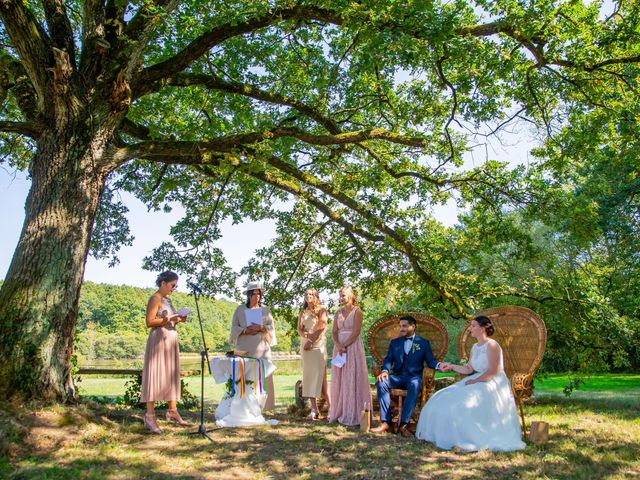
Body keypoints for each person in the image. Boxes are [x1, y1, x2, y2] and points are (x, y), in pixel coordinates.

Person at [415, 315, 526, 451]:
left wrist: (474, 381)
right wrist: (452, 366)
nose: (470, 329)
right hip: (477, 378)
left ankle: (472, 437)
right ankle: (451, 436)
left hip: (492, 381)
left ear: (483, 327)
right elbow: (469, 369)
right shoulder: (475, 347)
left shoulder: (492, 345)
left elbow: (493, 371)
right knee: (441, 397)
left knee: (464, 404)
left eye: (473, 326)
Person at [370, 315, 444, 437]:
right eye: (400, 326)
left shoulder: (423, 343)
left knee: (415, 385)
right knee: (381, 382)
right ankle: (385, 422)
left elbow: (431, 361)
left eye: (404, 326)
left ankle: (404, 424)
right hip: (397, 376)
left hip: (414, 377)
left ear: (413, 327)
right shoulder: (394, 343)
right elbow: (388, 360)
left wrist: (440, 365)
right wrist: (384, 371)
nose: (401, 329)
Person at [140, 270, 190, 434]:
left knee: (170, 375)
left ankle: (173, 411)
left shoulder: (168, 299)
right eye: (172, 285)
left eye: (175, 286)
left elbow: (169, 318)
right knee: (155, 375)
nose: (174, 288)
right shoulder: (155, 298)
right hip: (159, 341)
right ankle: (150, 416)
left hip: (170, 339)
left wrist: (180, 318)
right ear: (162, 283)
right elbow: (150, 321)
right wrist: (170, 318)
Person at [229, 281, 277, 411]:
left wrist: (261, 327)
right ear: (249, 296)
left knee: (264, 376)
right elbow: (233, 328)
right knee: (245, 375)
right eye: (254, 294)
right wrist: (245, 330)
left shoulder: (265, 310)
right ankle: (243, 406)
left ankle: (266, 406)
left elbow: (271, 328)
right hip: (245, 349)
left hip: (262, 350)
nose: (257, 296)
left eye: (259, 294)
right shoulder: (240, 309)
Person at [328, 286, 372, 426]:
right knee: (340, 378)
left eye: (344, 295)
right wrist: (339, 345)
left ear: (351, 295)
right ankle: (340, 410)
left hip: (352, 347)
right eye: (340, 295)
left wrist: (345, 345)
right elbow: (334, 331)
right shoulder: (337, 313)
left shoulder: (357, 311)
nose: (341, 298)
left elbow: (356, 331)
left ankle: (354, 411)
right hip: (339, 348)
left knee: (353, 376)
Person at [297, 288, 330, 420]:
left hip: (317, 346)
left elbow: (321, 326)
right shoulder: (303, 312)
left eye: (311, 294)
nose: (308, 296)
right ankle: (314, 410)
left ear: (316, 296)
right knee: (309, 377)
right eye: (306, 294)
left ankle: (332, 407)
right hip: (305, 346)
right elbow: (299, 329)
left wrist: (311, 340)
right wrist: (305, 336)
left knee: (321, 378)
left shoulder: (322, 310)